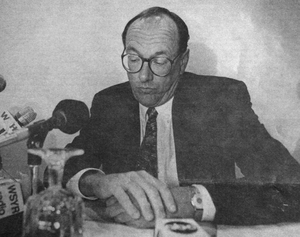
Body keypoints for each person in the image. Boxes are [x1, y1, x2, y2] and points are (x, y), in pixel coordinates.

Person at [63, 6, 300, 228]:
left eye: (159, 61)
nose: (143, 76)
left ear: (182, 62)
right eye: (134, 59)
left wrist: (193, 201)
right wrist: (97, 182)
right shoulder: (111, 102)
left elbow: (292, 188)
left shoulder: (221, 101)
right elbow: (68, 163)